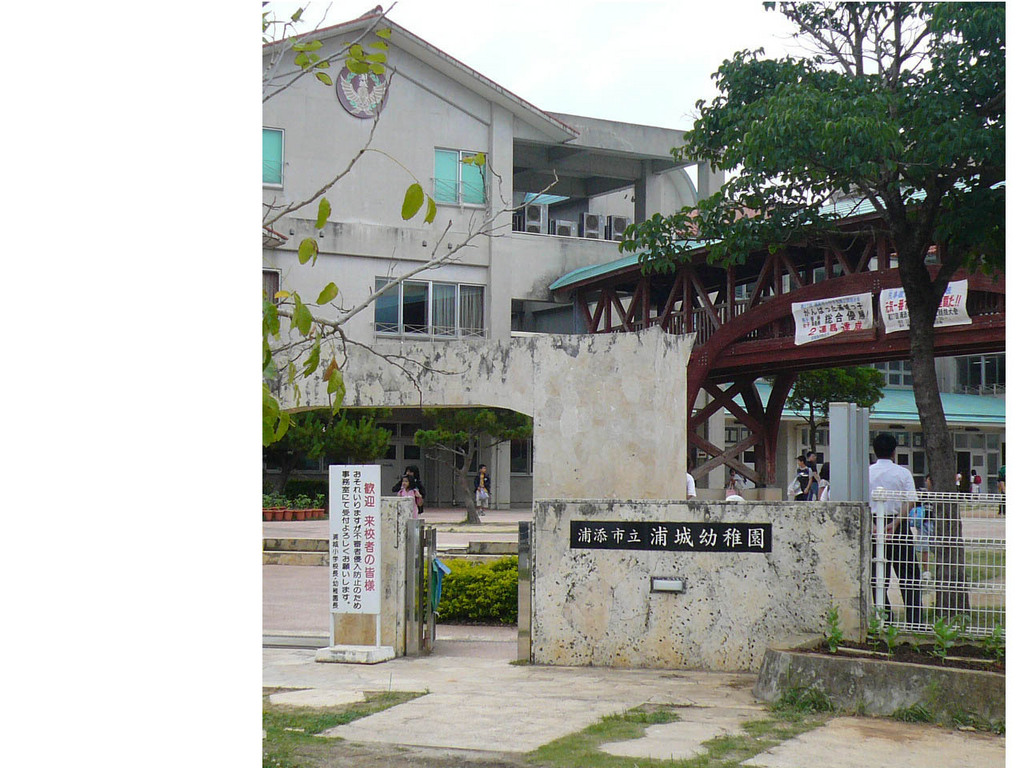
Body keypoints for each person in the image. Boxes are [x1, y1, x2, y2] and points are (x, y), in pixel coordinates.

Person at [869, 432, 922, 627]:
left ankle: (885, 619)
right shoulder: (903, 473)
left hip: (874, 524)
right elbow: (911, 500)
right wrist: (897, 523)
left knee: (877, 576)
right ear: (894, 452)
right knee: (909, 574)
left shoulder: (866, 473)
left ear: (874, 451)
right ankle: (915, 621)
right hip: (898, 525)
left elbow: (862, 503)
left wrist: (874, 525)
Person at [909, 474, 934, 581]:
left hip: (936, 523)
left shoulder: (940, 493)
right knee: (924, 548)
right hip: (924, 523)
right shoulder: (922, 493)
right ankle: (926, 571)